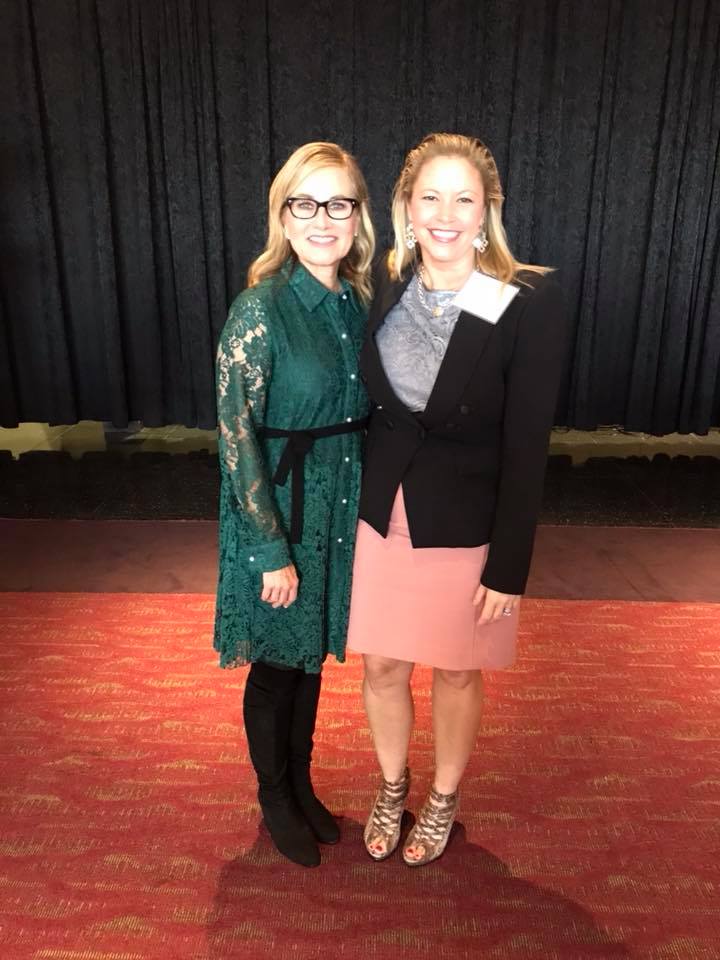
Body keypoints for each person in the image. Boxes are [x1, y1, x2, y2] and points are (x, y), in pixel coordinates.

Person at [347, 133, 568, 867]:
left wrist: (509, 568)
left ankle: (442, 796)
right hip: (382, 516)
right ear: (407, 208)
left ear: (486, 212)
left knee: (456, 668)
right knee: (381, 666)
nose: (446, 214)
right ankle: (391, 785)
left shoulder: (522, 302)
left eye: (463, 199)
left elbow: (527, 445)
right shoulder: (378, 288)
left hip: (467, 524)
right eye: (430, 197)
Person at [214, 142, 375, 867]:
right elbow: (235, 434)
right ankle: (274, 793)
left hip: (337, 510)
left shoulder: (356, 304)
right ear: (282, 215)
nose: (322, 219)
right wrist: (268, 548)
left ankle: (302, 781)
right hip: (281, 510)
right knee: (278, 663)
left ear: (357, 216)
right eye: (304, 203)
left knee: (309, 658)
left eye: (338, 203)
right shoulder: (260, 308)